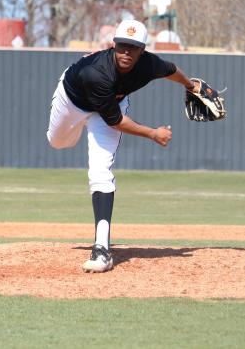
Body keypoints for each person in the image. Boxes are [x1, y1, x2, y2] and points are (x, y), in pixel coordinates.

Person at [46, 19, 200, 273]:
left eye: (134, 47)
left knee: (100, 173)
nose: (127, 52)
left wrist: (190, 85)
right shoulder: (95, 71)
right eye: (122, 45)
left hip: (109, 108)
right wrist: (153, 133)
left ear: (142, 50)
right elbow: (116, 121)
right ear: (114, 44)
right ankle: (73, 130)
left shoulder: (149, 64)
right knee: (58, 142)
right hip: (73, 100)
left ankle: (101, 249)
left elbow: (171, 70)